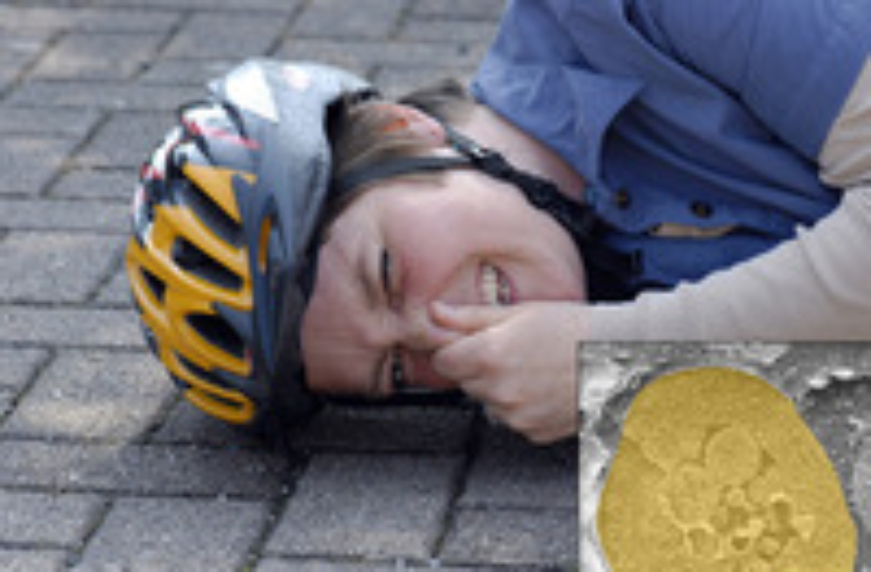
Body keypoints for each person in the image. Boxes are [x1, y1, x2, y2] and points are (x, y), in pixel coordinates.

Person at [127, 0, 871, 445]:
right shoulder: (588, 269)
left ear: (405, 130)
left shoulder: (633, 14)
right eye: (397, 371)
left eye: (387, 275)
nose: (437, 335)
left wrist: (620, 359)